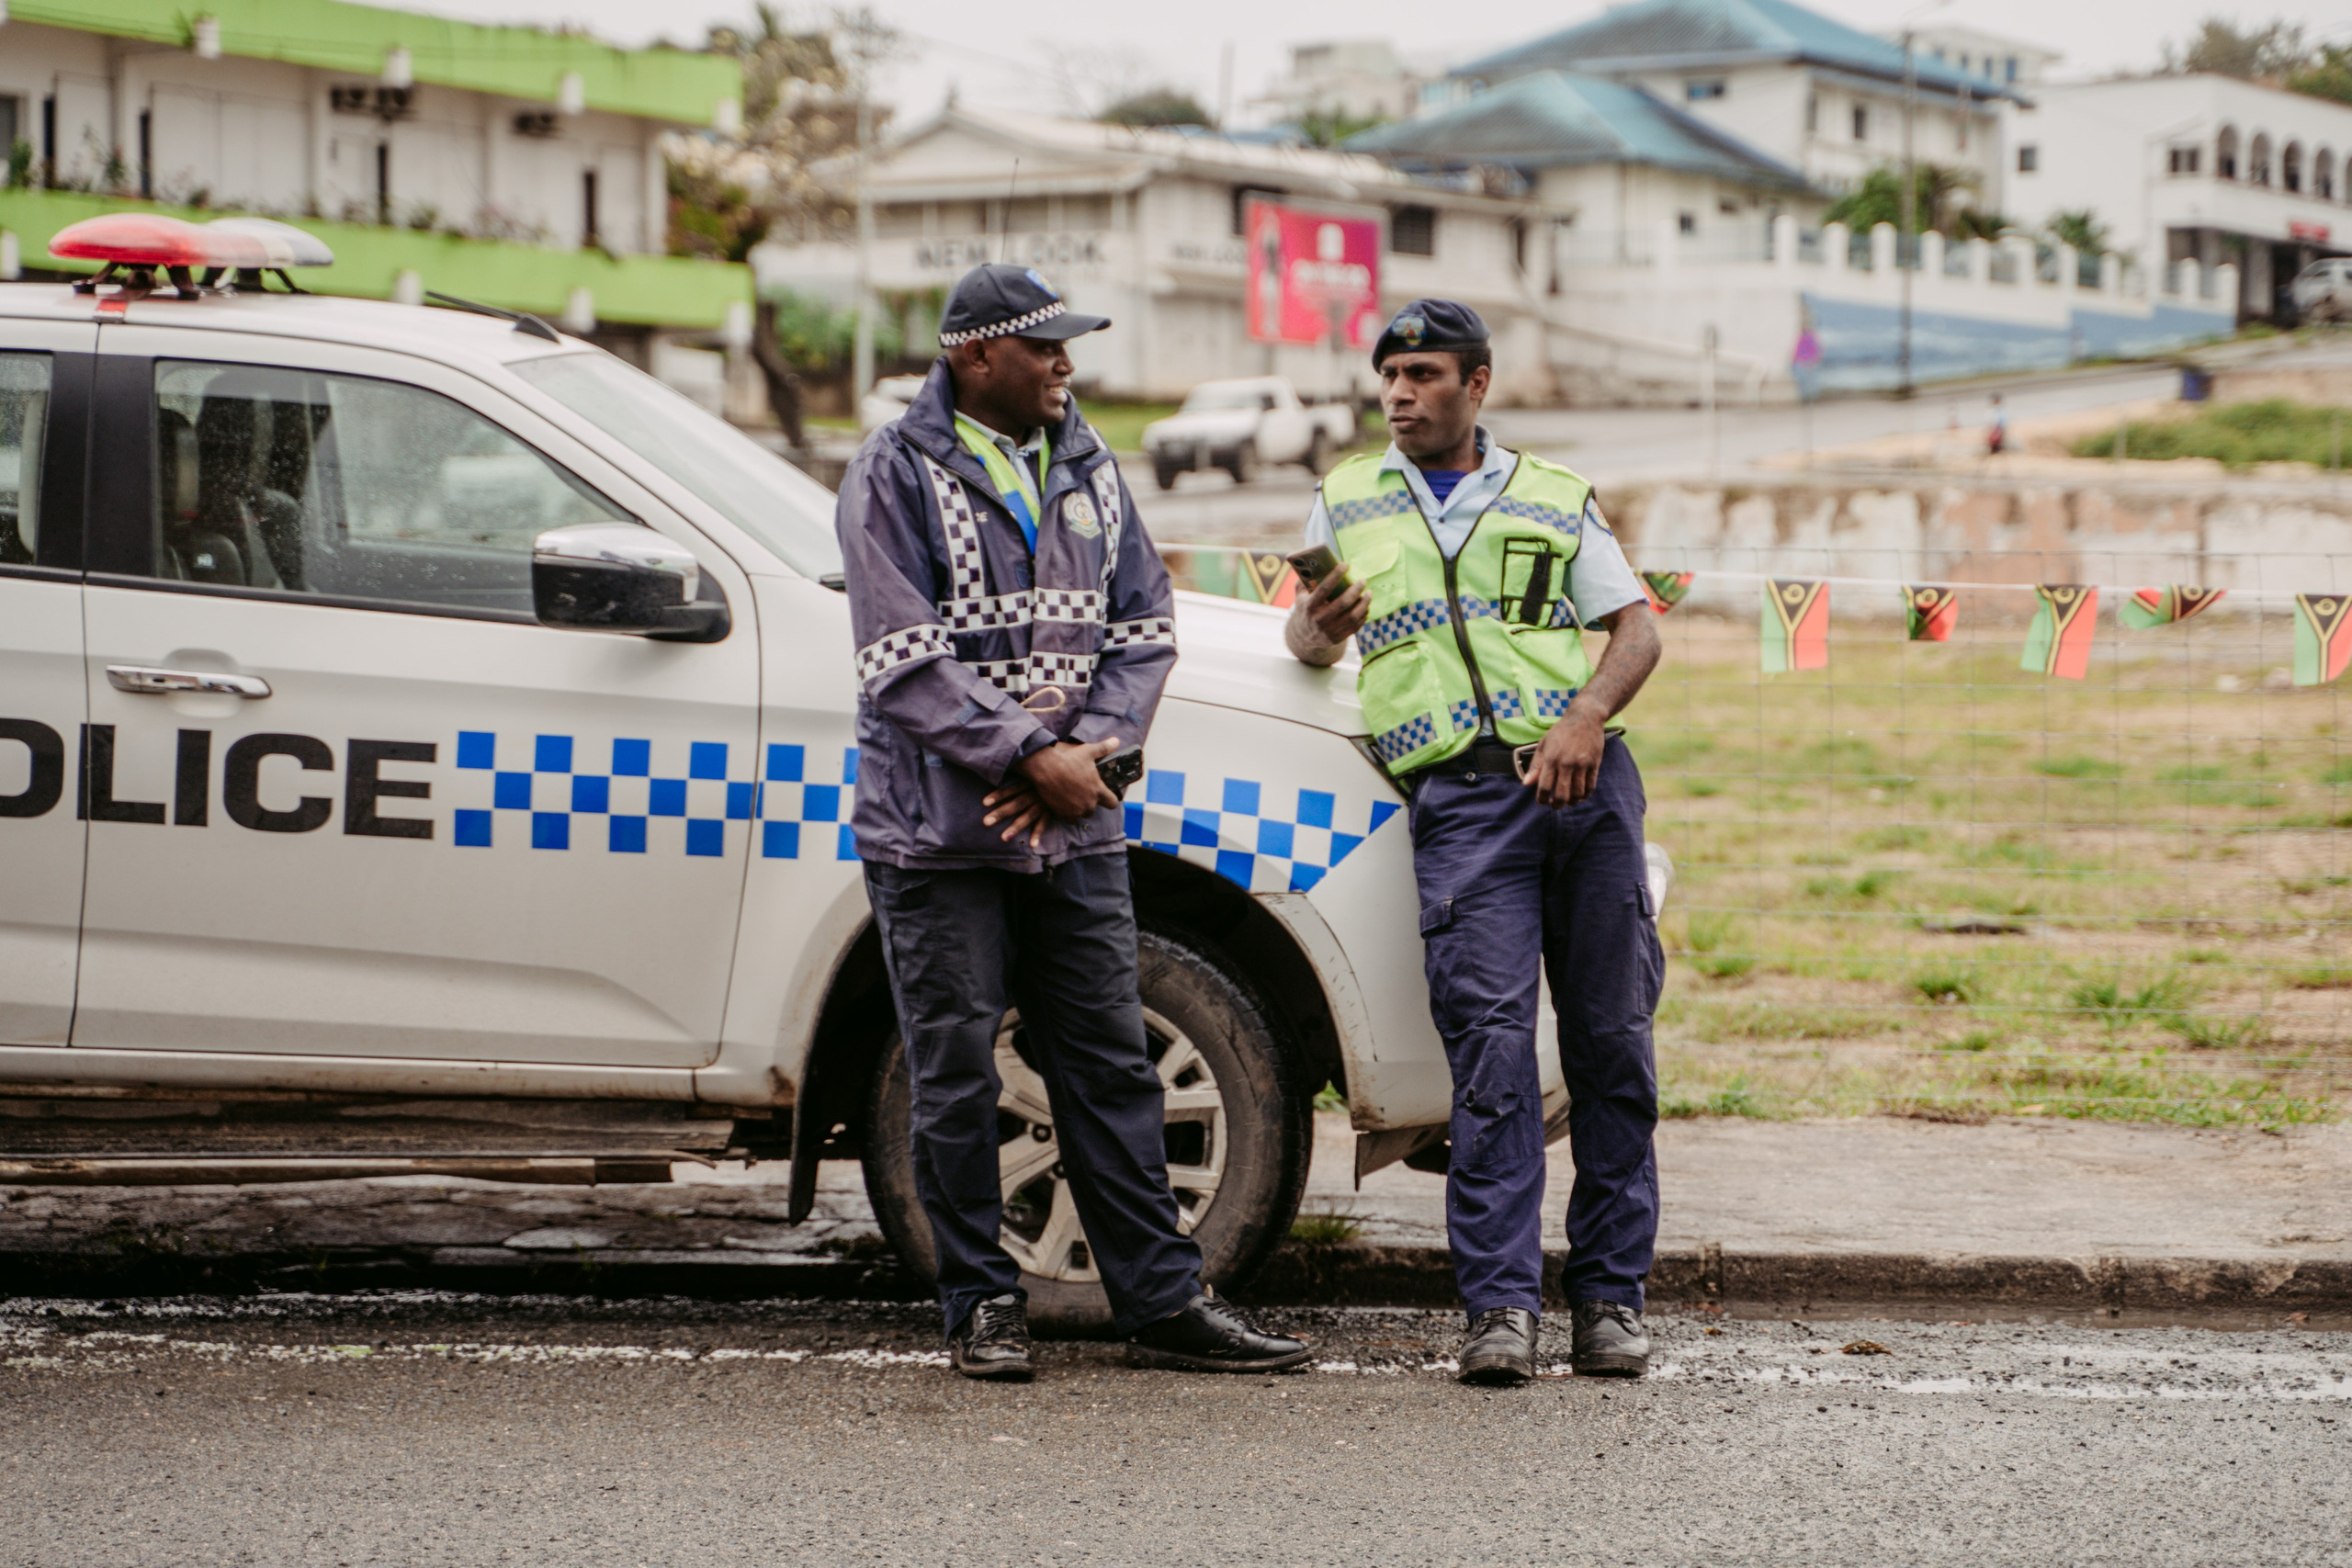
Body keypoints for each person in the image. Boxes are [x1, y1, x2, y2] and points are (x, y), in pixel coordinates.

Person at [836, 262, 1310, 1382]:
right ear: (972, 356)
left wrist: (1084, 757)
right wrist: (1027, 755)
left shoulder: (1092, 465)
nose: (1066, 363)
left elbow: (1144, 626)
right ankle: (979, 1305)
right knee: (954, 1073)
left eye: (1069, 345)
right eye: (1044, 346)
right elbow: (901, 663)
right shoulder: (891, 474)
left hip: (1076, 824)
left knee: (1110, 1067)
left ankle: (1161, 1300)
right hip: (940, 837)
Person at [1284, 299, 1666, 1386]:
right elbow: (1299, 641)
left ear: (1477, 384)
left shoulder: (1551, 496)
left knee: (1610, 1054)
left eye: (1422, 374)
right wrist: (1319, 630)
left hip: (1586, 795)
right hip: (1460, 806)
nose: (1400, 394)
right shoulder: (1346, 496)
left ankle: (1608, 1301)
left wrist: (1584, 716)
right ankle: (1499, 1309)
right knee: (1491, 1060)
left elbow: (1634, 627)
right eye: (1389, 376)